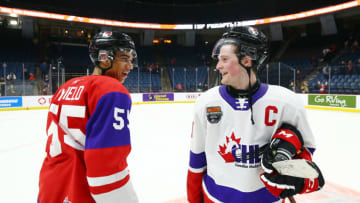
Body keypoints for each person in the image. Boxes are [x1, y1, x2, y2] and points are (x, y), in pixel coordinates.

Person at [187, 26, 324, 203]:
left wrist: (293, 165)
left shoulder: (287, 103)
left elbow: (304, 150)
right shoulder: (206, 103)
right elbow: (197, 161)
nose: (218, 66)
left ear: (246, 60)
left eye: (225, 59)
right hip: (215, 198)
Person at [38, 31, 139, 203]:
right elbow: (106, 169)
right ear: (104, 57)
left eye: (131, 60)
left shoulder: (65, 87)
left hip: (49, 190)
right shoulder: (112, 90)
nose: (130, 66)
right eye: (124, 58)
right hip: (80, 193)